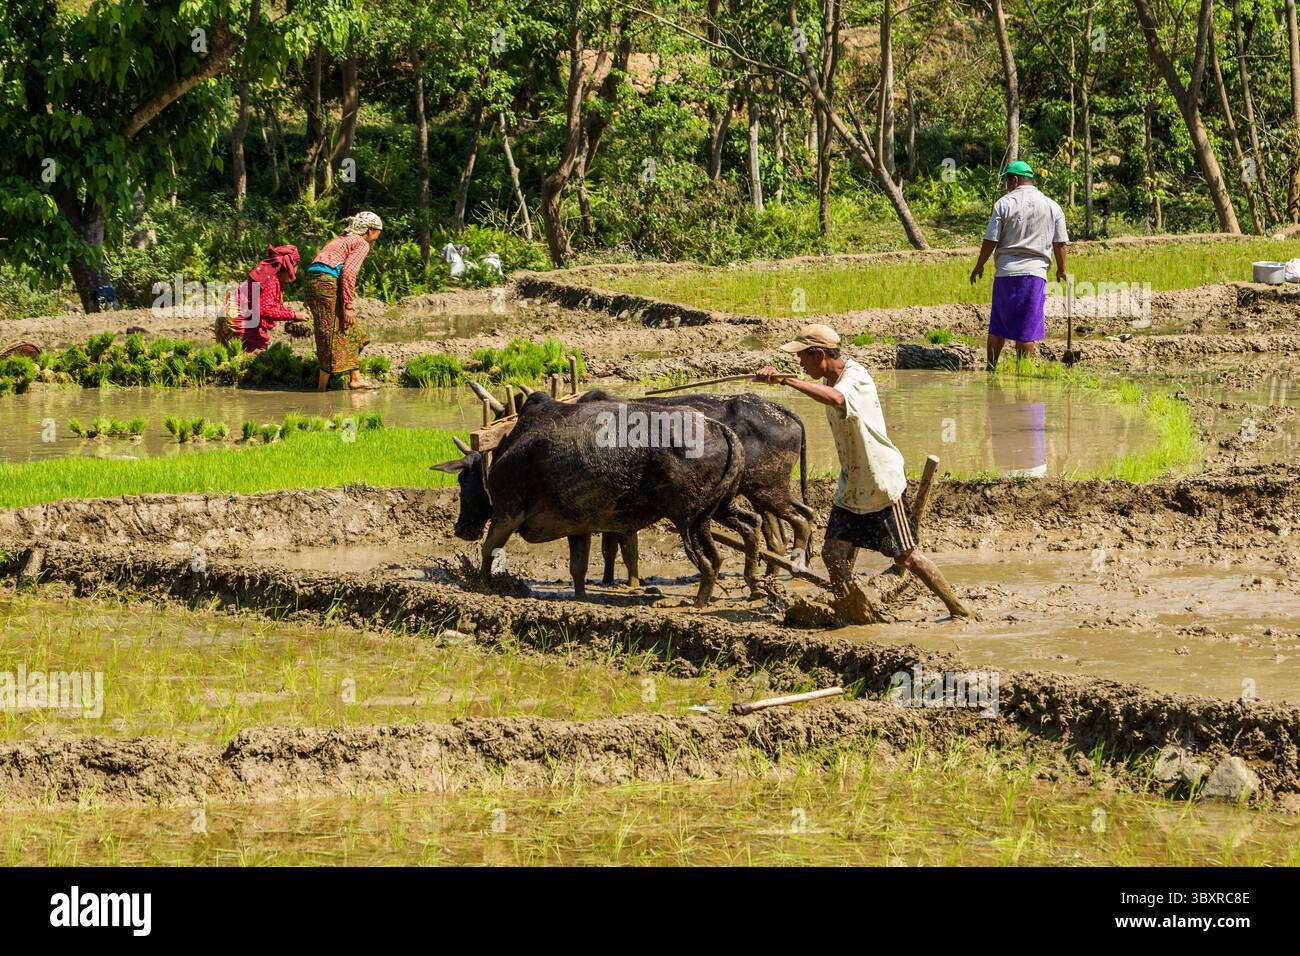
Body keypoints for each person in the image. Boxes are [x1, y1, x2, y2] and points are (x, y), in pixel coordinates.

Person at [756, 323, 975, 620]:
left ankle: (959, 610)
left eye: (802, 357)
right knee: (832, 553)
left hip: (879, 484)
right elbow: (829, 395)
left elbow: (836, 400)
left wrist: (787, 381)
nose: (799, 363)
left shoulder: (854, 378)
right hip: (853, 486)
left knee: (907, 556)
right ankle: (854, 612)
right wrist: (788, 379)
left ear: (819, 354)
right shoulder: (831, 382)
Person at [968, 160, 1068, 370]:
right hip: (1035, 275)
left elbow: (991, 240)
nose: (1007, 185)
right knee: (1027, 329)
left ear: (1014, 180)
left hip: (1006, 273)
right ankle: (1025, 376)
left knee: (998, 326)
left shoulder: (1004, 204)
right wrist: (1061, 269)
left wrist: (979, 265)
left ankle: (991, 370)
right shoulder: (1052, 206)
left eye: (1007, 181)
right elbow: (1060, 243)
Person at [304, 211, 383, 391]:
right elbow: (348, 273)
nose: (377, 237)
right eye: (378, 232)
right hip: (327, 282)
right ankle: (321, 389)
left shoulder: (340, 240)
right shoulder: (361, 243)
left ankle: (355, 378)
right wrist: (348, 305)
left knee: (346, 327)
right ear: (370, 230)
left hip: (312, 281)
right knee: (329, 333)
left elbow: (316, 266)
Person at [219, 244, 309, 353]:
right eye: (296, 267)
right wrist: (293, 315)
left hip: (230, 316)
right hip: (236, 321)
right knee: (253, 358)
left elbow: (271, 306)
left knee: (236, 358)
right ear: (290, 266)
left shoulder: (271, 276)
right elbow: (264, 310)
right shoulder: (271, 281)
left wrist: (293, 314)